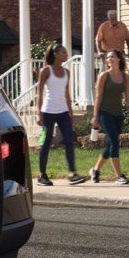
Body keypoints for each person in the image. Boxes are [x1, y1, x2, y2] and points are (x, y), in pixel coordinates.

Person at [34, 43, 87, 186]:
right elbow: (39, 94)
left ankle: (72, 174)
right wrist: (38, 113)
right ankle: (42, 176)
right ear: (55, 54)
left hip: (63, 111)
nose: (66, 55)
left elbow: (67, 94)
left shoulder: (66, 72)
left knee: (69, 141)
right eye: (63, 52)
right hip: (48, 112)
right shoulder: (46, 71)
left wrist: (71, 112)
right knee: (45, 144)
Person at [89, 49, 129, 185]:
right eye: (108, 58)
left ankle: (95, 171)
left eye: (112, 57)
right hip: (104, 113)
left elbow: (128, 96)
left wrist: (128, 108)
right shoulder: (103, 76)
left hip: (118, 114)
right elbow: (98, 97)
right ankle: (119, 176)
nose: (109, 59)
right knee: (114, 141)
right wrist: (95, 116)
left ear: (119, 59)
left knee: (109, 145)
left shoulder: (126, 77)